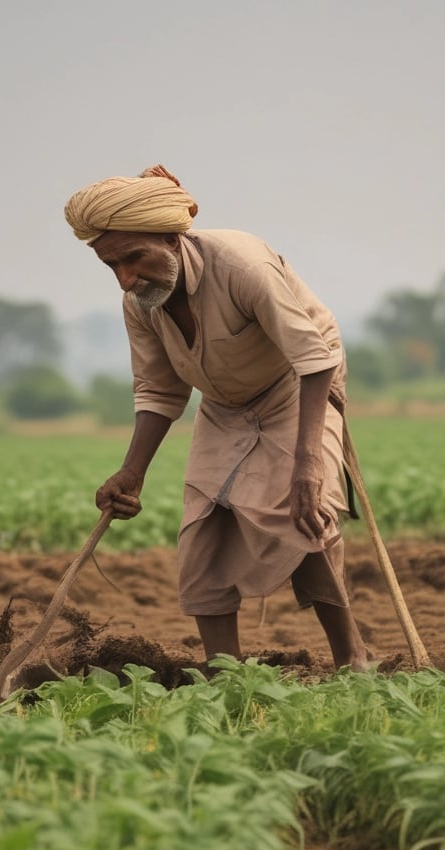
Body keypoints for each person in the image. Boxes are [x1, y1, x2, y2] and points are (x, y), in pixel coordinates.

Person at [64, 165, 368, 671]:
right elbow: (160, 388)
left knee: (302, 514)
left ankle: (352, 660)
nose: (126, 277)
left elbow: (314, 360)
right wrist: (131, 471)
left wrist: (308, 463)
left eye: (134, 258)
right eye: (111, 265)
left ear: (171, 237)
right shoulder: (140, 301)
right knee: (201, 531)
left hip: (296, 387)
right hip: (224, 403)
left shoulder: (241, 265)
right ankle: (226, 677)